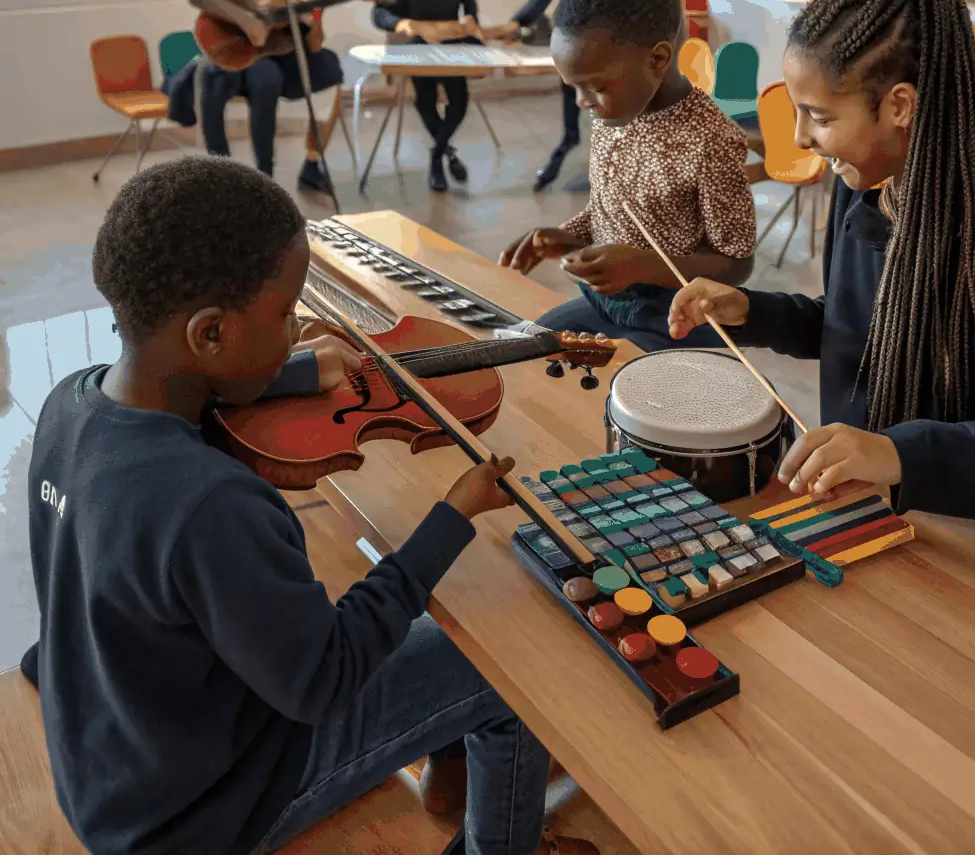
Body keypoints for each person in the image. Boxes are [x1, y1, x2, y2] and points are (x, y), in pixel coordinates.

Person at [22, 157, 598, 855]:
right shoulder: (210, 503)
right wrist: (449, 517)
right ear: (209, 334)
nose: (299, 329)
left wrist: (285, 369)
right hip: (203, 809)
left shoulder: (70, 403)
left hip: (116, 764)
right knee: (514, 661)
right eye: (285, 314)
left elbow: (179, 441)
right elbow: (327, 677)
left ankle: (449, 755)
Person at [667, 0, 975, 525]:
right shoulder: (865, 188)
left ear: (900, 106)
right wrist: (755, 312)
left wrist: (898, 453)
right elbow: (854, 326)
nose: (801, 138)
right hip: (868, 510)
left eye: (819, 116)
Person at [500, 0, 755, 352]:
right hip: (603, 305)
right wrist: (568, 238)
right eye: (573, 87)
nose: (583, 102)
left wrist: (642, 266)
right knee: (522, 351)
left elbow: (736, 261)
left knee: (615, 397)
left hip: (672, 317)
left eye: (595, 87)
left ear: (656, 59)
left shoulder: (711, 140)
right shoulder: (615, 108)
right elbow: (611, 210)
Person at [188, 0, 343, 195]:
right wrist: (246, 17)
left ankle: (272, 178)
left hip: (269, 48)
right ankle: (221, 180)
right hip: (233, 38)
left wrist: (302, 16)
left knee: (308, 72)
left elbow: (283, 16)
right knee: (218, 79)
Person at [489, 0, 640, 191]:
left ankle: (614, 169)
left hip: (620, 53)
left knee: (614, 115)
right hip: (581, 53)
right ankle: (570, 140)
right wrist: (508, 27)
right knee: (574, 87)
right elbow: (536, 2)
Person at [372, 0, 482, 194]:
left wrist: (471, 21)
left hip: (451, 42)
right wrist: (405, 24)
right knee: (424, 99)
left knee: (459, 102)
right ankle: (444, 156)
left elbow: (471, 10)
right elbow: (378, 13)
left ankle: (438, 153)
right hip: (417, 44)